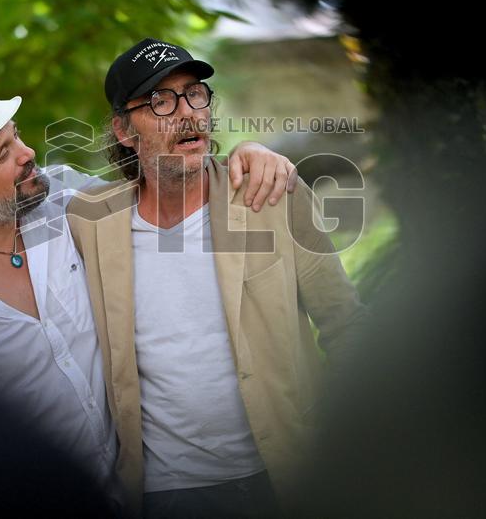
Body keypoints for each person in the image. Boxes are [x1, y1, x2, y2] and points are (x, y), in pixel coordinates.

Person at [0, 75, 297, 504]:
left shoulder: (66, 202)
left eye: (15, 135)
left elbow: (165, 187)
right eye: (3, 153)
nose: (27, 154)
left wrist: (248, 157)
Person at [66, 38, 369, 517]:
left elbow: (346, 325)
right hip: (166, 493)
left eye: (195, 93)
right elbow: (11, 186)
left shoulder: (272, 195)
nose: (187, 113)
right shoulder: (88, 221)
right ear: (123, 130)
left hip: (289, 476)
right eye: (161, 101)